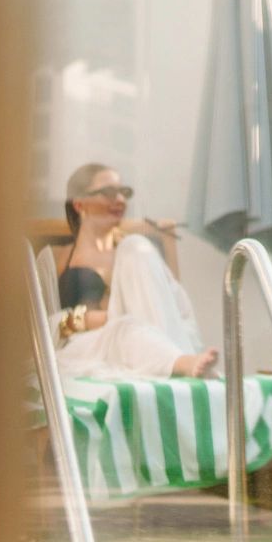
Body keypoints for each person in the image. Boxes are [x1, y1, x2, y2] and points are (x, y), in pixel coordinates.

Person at [51, 163, 220, 381]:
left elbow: (173, 309)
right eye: (108, 192)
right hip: (87, 346)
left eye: (124, 192)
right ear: (79, 203)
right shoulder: (58, 256)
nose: (120, 199)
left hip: (140, 339)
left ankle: (177, 362)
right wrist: (84, 319)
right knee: (124, 329)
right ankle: (182, 363)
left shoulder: (136, 255)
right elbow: (39, 323)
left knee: (135, 248)